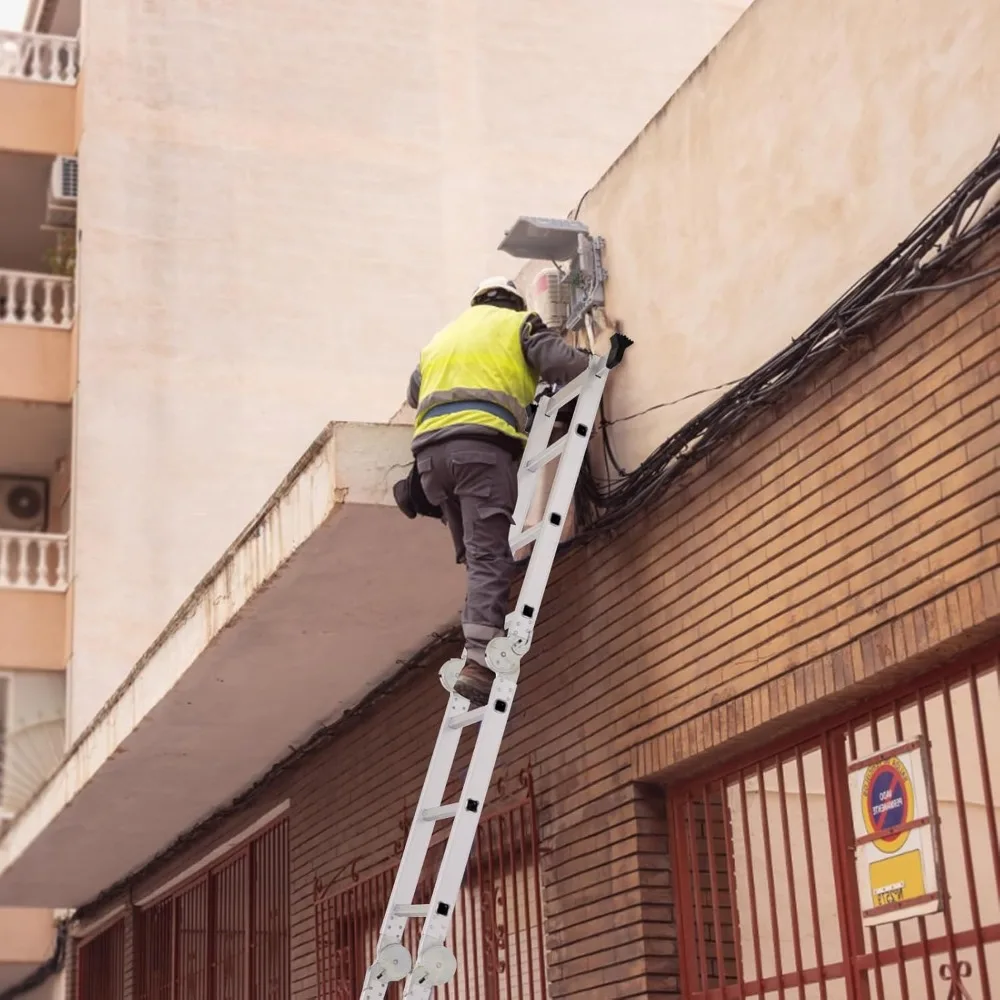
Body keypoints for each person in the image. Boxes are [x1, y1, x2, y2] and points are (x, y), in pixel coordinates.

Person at [405, 276, 592, 706]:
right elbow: (564, 362)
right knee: (490, 555)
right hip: (480, 452)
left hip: (431, 461)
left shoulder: (440, 339)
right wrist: (593, 361)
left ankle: (476, 629)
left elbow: (415, 391)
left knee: (477, 555)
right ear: (512, 302)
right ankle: (478, 661)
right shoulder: (517, 324)